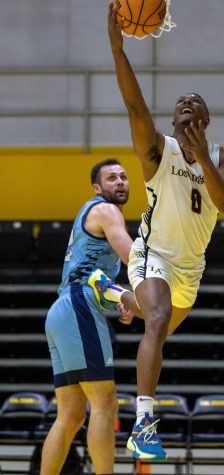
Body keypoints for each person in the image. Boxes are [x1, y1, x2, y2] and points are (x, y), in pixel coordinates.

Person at [87, 2, 224, 462]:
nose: (186, 103)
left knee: (149, 313)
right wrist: (118, 50)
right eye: (180, 104)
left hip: (190, 268)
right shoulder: (158, 151)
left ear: (207, 120)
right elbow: (134, 103)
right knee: (155, 321)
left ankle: (112, 295)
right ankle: (144, 423)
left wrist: (205, 157)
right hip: (150, 252)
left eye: (195, 103)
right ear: (173, 121)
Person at [41, 158, 134, 475]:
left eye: (123, 176)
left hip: (63, 310)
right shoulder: (107, 211)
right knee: (106, 402)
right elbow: (132, 257)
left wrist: (117, 302)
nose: (120, 181)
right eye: (112, 178)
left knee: (70, 415)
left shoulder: (94, 213)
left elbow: (94, 276)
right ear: (98, 187)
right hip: (78, 306)